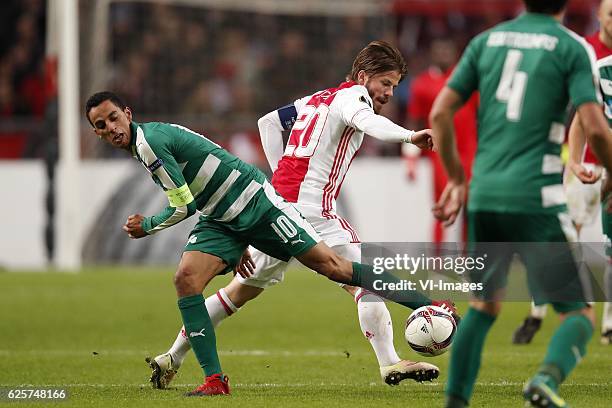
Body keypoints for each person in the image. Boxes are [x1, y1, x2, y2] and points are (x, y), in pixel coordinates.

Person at [85, 89, 438, 397]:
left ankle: (427, 304)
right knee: (187, 279)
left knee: (335, 268)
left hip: (256, 203)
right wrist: (237, 241)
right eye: (101, 126)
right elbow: (197, 198)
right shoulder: (142, 144)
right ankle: (213, 380)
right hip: (220, 217)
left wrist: (146, 225)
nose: (111, 128)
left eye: (114, 118)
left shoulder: (149, 142)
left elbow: (183, 206)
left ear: (127, 114)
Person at [147, 40, 457, 390]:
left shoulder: (315, 99)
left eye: (395, 86)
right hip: (315, 211)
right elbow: (367, 122)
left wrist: (282, 175)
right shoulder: (353, 99)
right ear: (362, 76)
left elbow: (267, 123)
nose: (389, 92)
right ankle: (390, 361)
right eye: (385, 83)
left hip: (276, 208)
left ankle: (172, 356)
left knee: (239, 292)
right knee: (366, 277)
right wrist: (410, 136)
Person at [429, 0, 612, 406]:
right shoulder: (572, 47)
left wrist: (458, 179)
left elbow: (440, 112)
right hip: (536, 198)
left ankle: (454, 403)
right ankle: (545, 380)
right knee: (579, 315)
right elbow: (595, 126)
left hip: (484, 195)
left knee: (483, 306)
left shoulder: (485, 41)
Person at [513, 0, 612, 345]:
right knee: (563, 236)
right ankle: (536, 313)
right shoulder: (585, 50)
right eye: (611, 13)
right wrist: (572, 160)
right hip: (587, 162)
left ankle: (608, 325)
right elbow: (580, 114)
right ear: (599, 15)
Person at [403, 37, 478, 245]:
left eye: (448, 51)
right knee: (441, 208)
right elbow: (414, 122)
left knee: (470, 211)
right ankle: (437, 268)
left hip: (470, 154)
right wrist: (410, 157)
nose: (444, 55)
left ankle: (468, 267)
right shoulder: (422, 84)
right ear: (432, 55)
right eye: (440, 51)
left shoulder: (468, 79)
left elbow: (483, 113)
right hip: (441, 156)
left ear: (455, 55)